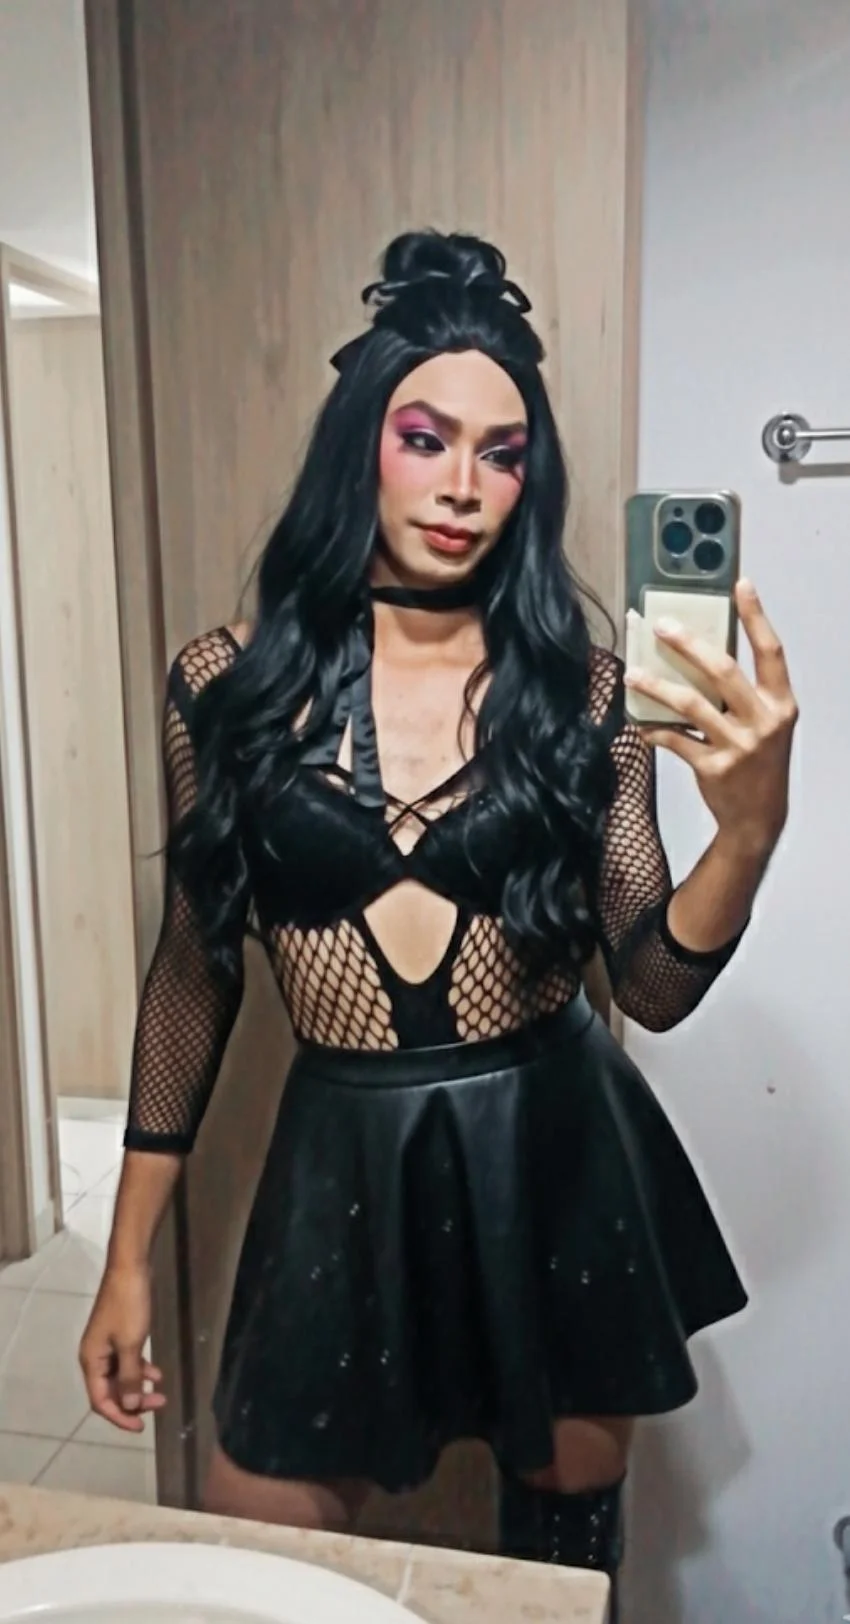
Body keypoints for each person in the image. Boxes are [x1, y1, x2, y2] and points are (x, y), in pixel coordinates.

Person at [79, 230, 797, 1599]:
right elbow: (193, 973)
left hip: (557, 1150)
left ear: (532, 481)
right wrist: (127, 1259)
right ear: (362, 444)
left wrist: (751, 829)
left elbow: (650, 986)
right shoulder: (225, 688)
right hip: (339, 1151)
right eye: (425, 438)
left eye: (502, 454)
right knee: (263, 1536)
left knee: (562, 1546)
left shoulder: (584, 692)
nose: (463, 485)